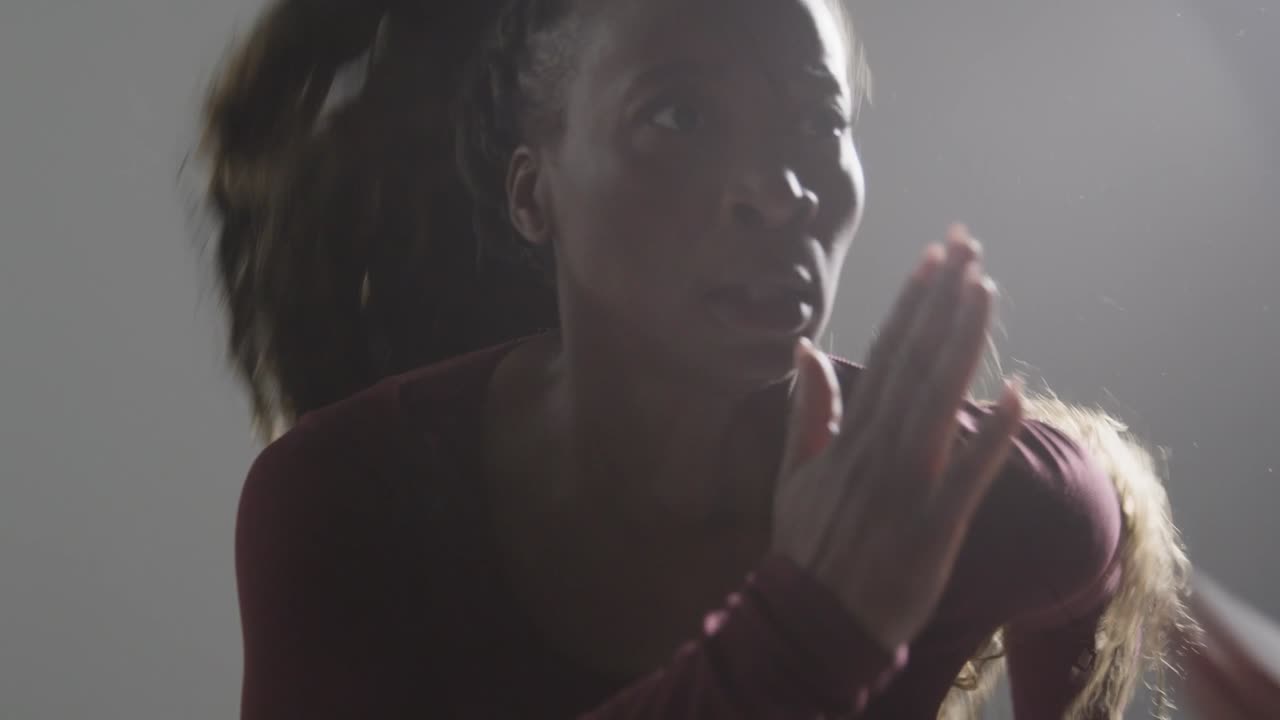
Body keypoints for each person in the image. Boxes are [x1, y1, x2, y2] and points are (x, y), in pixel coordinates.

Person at [199, 0, 1195, 717]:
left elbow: (1090, 521)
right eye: (677, 115)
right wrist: (812, 631)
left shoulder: (933, 499)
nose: (777, 186)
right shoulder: (345, 506)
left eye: (817, 119)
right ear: (530, 192)